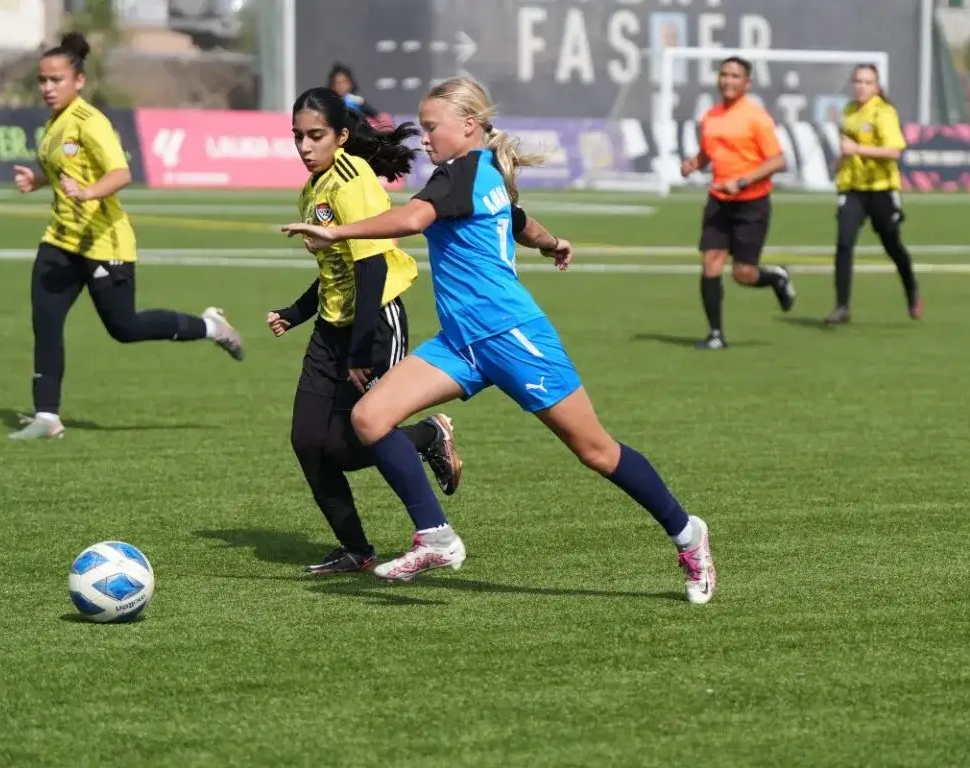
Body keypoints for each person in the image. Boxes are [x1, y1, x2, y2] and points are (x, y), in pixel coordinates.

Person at [282, 77, 718, 604]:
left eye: (431, 128)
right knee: (370, 417)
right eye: (421, 129)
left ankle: (687, 533)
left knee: (597, 451)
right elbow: (517, 221)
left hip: (513, 338)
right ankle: (436, 537)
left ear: (468, 126)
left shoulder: (458, 175)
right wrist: (553, 242)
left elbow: (415, 218)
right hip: (461, 344)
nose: (424, 140)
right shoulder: (482, 172)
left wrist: (340, 232)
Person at [8, 33, 244, 441]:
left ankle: (211, 326)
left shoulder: (90, 121)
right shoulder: (55, 123)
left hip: (104, 243)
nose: (47, 88)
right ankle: (46, 416)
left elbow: (120, 174)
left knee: (124, 327)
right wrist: (40, 179)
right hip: (61, 240)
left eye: (56, 80)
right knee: (45, 322)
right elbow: (68, 169)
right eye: (43, 80)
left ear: (78, 80)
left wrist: (89, 193)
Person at [273, 87, 464, 575]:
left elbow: (372, 266)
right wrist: (297, 311)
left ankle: (426, 437)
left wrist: (360, 352)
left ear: (340, 136)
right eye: (297, 137)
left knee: (355, 436)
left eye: (315, 136)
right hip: (332, 327)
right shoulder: (313, 188)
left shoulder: (350, 176)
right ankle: (356, 549)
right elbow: (337, 267)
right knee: (307, 441)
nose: (304, 146)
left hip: (374, 324)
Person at [679, 56, 795, 350]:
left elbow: (778, 160)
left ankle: (776, 278)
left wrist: (742, 181)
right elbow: (709, 151)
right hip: (719, 200)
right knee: (711, 263)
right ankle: (716, 334)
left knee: (743, 274)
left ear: (747, 83)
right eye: (724, 74)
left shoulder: (757, 117)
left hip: (751, 202)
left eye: (735, 76)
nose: (728, 80)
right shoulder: (711, 116)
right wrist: (695, 162)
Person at [826, 63, 922, 325]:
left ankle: (911, 288)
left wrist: (856, 149)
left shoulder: (883, 112)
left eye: (868, 82)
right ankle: (842, 306)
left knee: (892, 245)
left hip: (881, 189)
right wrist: (840, 162)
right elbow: (849, 148)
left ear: (877, 86)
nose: (861, 86)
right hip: (853, 189)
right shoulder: (848, 111)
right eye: (858, 81)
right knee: (844, 243)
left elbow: (893, 151)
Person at [328, 62, 393, 132]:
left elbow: (377, 116)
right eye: (337, 82)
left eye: (344, 82)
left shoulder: (357, 101)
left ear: (350, 83)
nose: (341, 86)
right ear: (332, 84)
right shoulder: (328, 102)